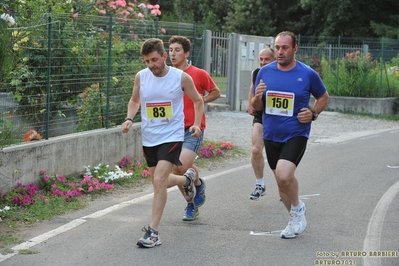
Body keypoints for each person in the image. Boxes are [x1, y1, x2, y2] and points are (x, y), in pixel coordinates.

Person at [121, 38, 204, 248]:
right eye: (147, 61)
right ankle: (185, 180)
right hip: (150, 138)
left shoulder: (181, 78)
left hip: (172, 136)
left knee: (159, 180)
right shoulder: (141, 76)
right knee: (159, 181)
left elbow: (198, 100)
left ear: (164, 56)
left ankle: (153, 233)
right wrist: (130, 118)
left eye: (154, 60)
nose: (151, 65)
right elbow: (134, 100)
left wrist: (196, 124)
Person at [251, 31, 329, 239]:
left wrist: (313, 113)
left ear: (295, 49)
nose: (280, 51)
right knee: (279, 181)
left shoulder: (307, 73)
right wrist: (258, 97)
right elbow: (255, 106)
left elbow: (323, 96)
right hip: (271, 133)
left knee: (284, 174)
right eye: (277, 47)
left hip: (296, 132)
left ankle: (298, 207)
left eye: (284, 47)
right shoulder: (264, 72)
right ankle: (294, 218)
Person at [168, 35, 221, 221]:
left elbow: (216, 92)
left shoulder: (198, 73)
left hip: (193, 128)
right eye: (171, 50)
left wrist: (201, 100)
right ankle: (191, 203)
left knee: (181, 166)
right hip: (172, 129)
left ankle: (197, 184)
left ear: (186, 53)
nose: (173, 54)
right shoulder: (167, 75)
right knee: (176, 170)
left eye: (177, 50)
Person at [247, 48, 276, 200]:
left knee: (277, 154)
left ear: (274, 59)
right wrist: (250, 103)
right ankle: (260, 184)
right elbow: (253, 87)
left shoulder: (281, 72)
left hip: (278, 117)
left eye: (267, 59)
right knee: (256, 150)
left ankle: (283, 183)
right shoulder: (257, 72)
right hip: (261, 114)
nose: (263, 62)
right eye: (261, 59)